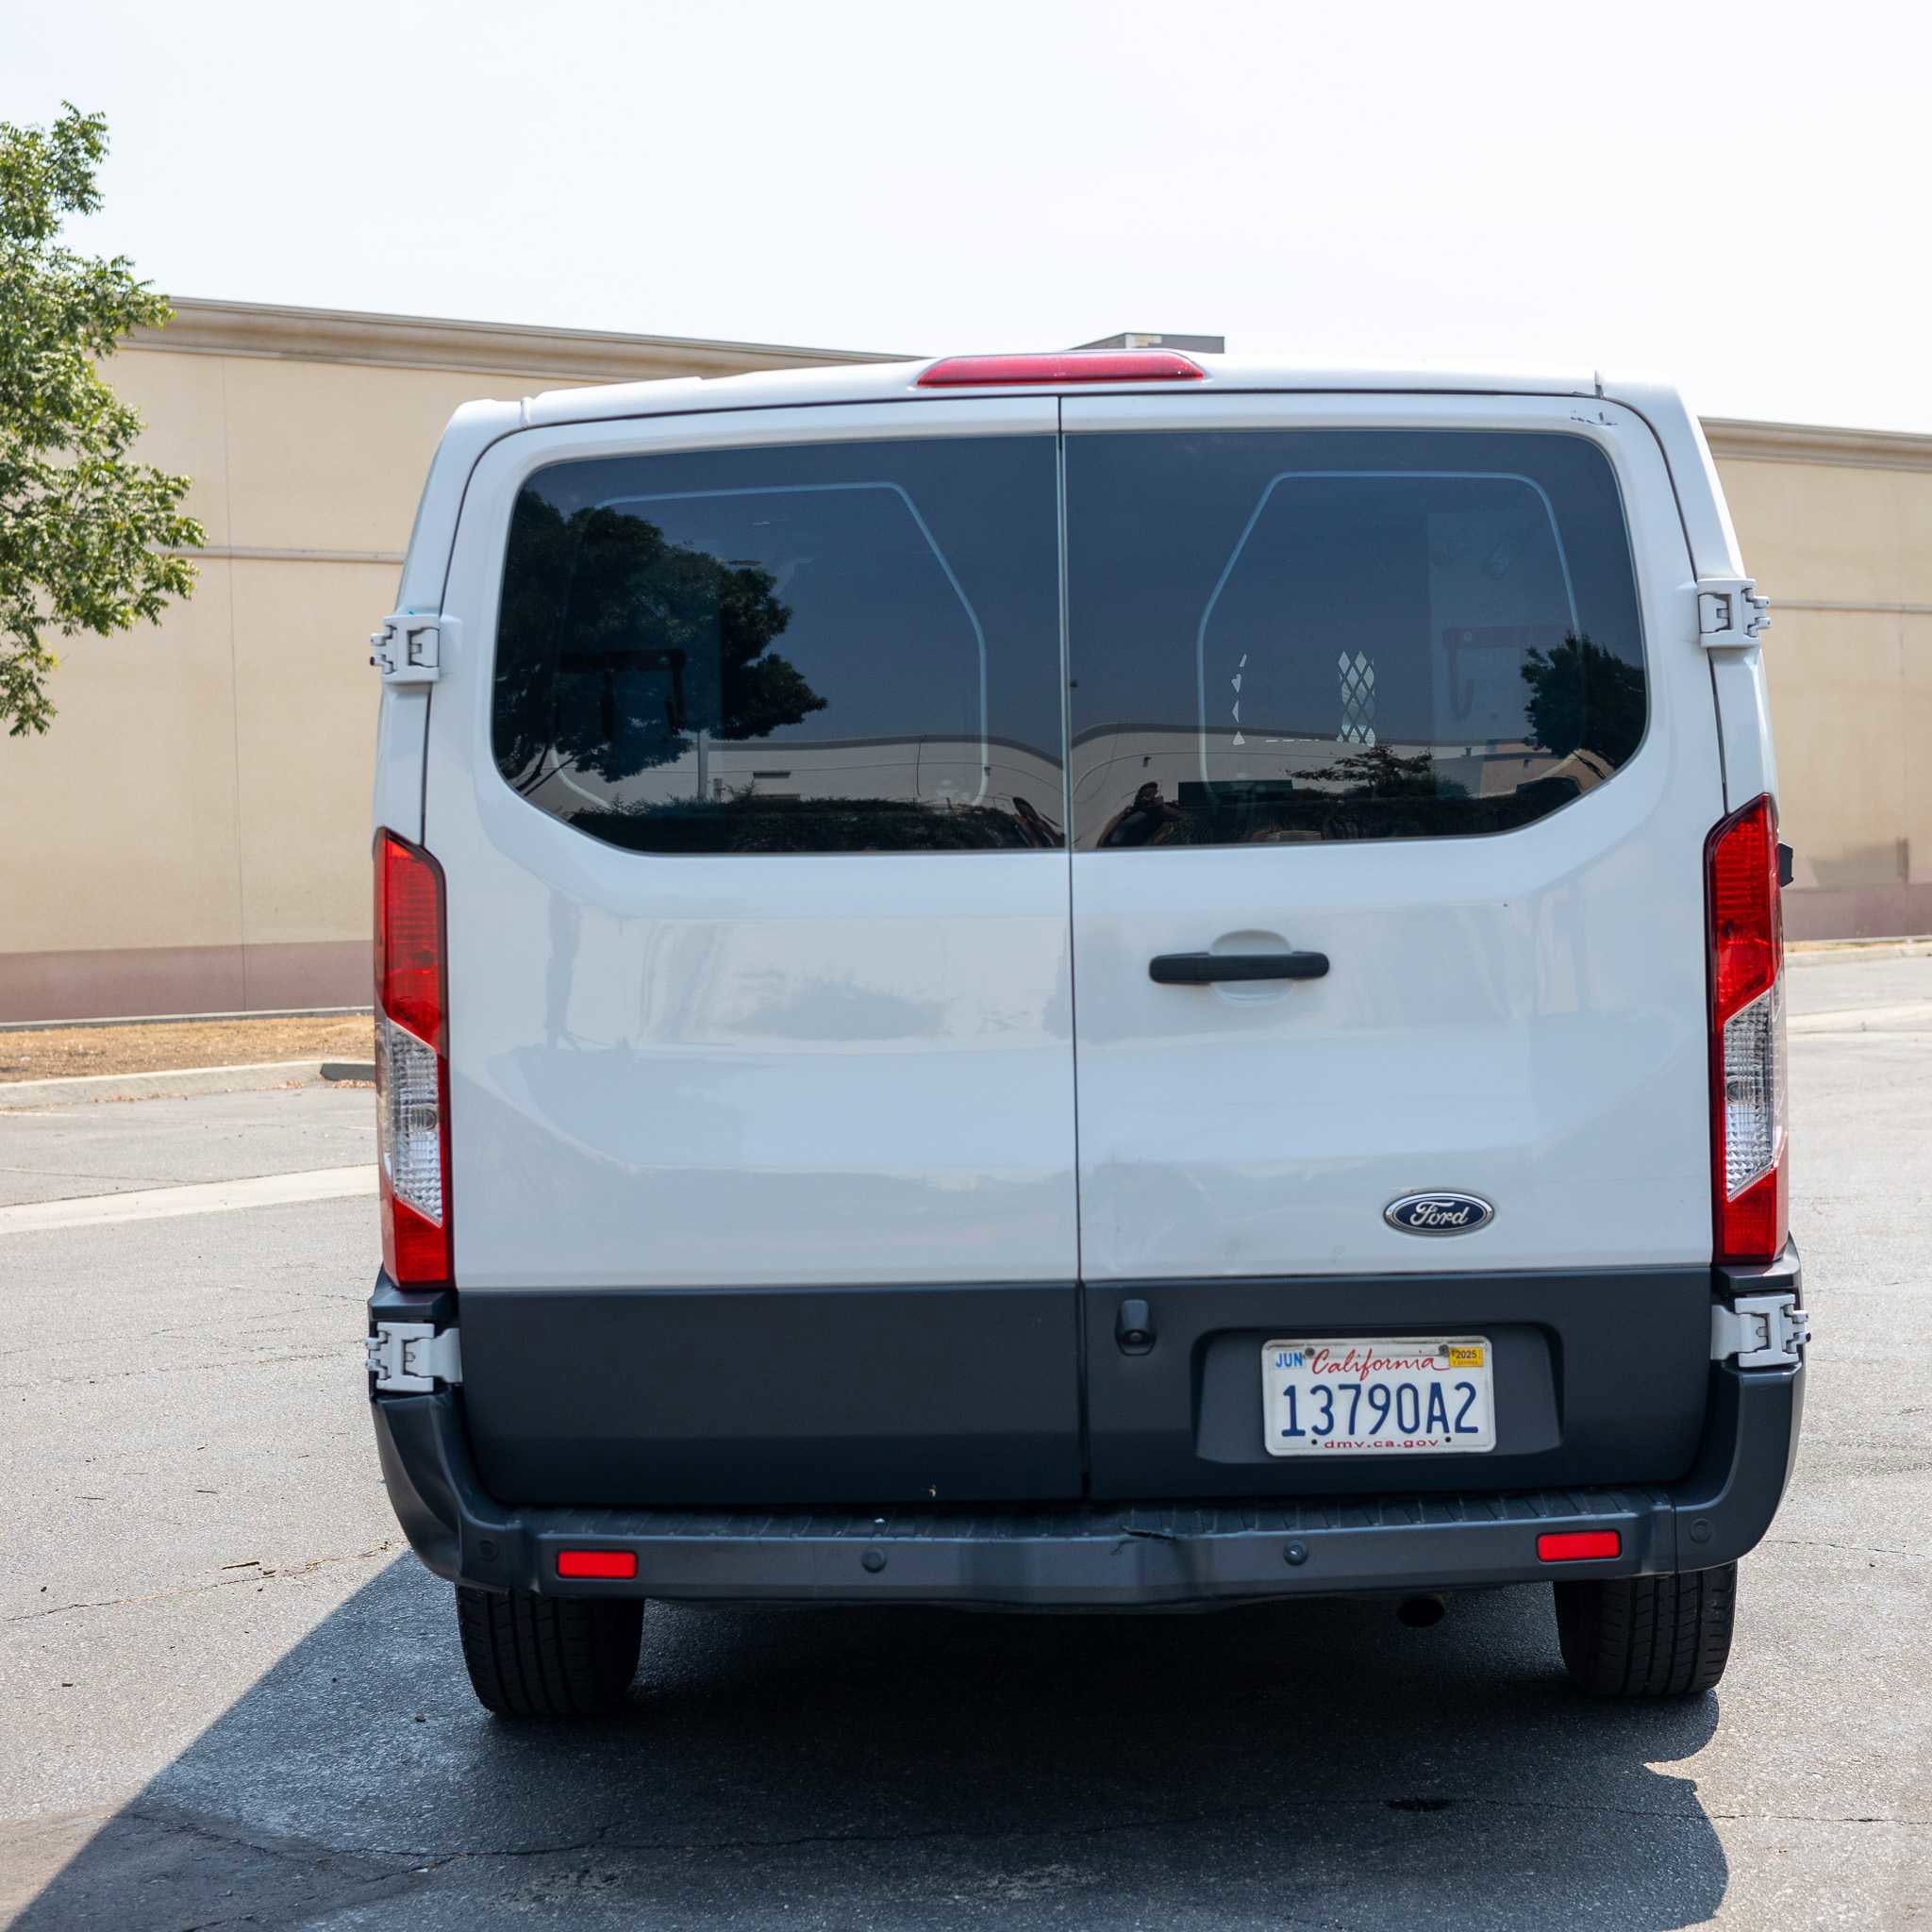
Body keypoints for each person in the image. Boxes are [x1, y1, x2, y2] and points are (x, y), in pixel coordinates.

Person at [1097, 780, 1186, 848]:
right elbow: (1115, 824)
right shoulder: (1133, 810)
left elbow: (1178, 815)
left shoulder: (1159, 809)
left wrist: (1161, 806)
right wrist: (1102, 840)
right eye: (1146, 795)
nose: (1150, 798)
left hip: (1137, 851)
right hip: (1115, 847)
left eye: (1152, 795)